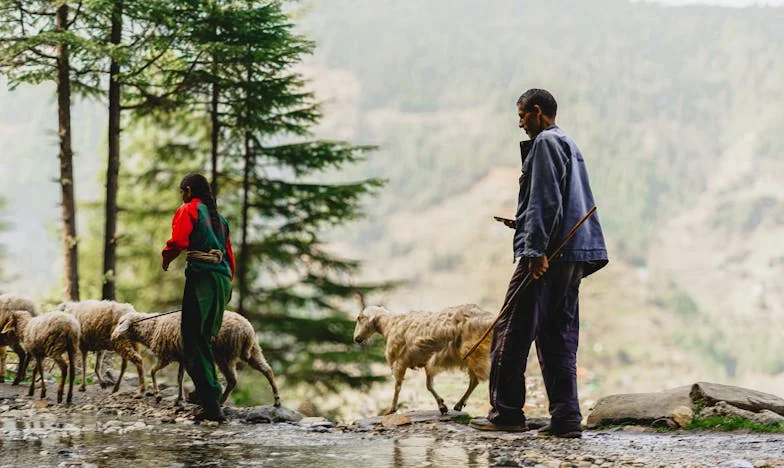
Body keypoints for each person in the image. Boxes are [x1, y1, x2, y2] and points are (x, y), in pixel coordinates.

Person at [469, 89, 608, 437]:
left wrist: (534, 251)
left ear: (537, 111)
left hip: (549, 253)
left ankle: (506, 415)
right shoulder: (567, 143)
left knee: (510, 331)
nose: (520, 124)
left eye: (521, 116)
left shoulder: (546, 142)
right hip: (573, 253)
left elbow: (546, 200)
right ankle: (565, 420)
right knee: (557, 334)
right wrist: (523, 223)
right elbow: (561, 201)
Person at [162, 173, 236, 422]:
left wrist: (166, 257)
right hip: (222, 281)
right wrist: (225, 286)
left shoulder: (189, 209)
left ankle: (212, 405)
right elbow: (229, 256)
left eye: (182, 191)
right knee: (205, 338)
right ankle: (210, 395)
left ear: (189, 190)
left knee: (192, 340)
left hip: (202, 280)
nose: (181, 195)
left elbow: (179, 241)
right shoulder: (221, 219)